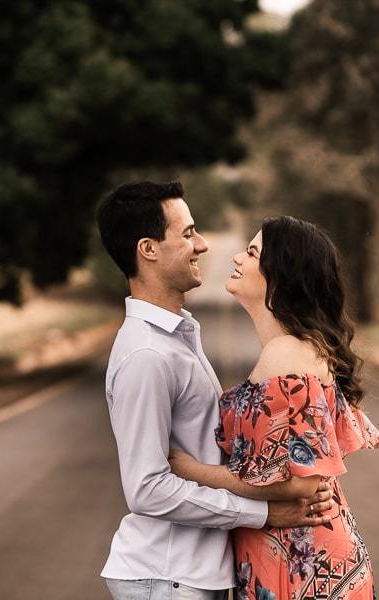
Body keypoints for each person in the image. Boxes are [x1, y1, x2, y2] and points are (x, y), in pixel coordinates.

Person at [96, 182, 337, 600]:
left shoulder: (176, 337)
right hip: (167, 574)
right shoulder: (147, 354)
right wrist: (263, 513)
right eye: (188, 233)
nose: (203, 244)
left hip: (192, 574)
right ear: (148, 249)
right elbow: (147, 489)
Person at [168, 216, 379, 600]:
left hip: (301, 561)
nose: (237, 257)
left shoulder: (288, 356)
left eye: (252, 252)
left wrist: (193, 471)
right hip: (295, 555)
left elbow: (302, 483)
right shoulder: (294, 351)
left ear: (281, 275)